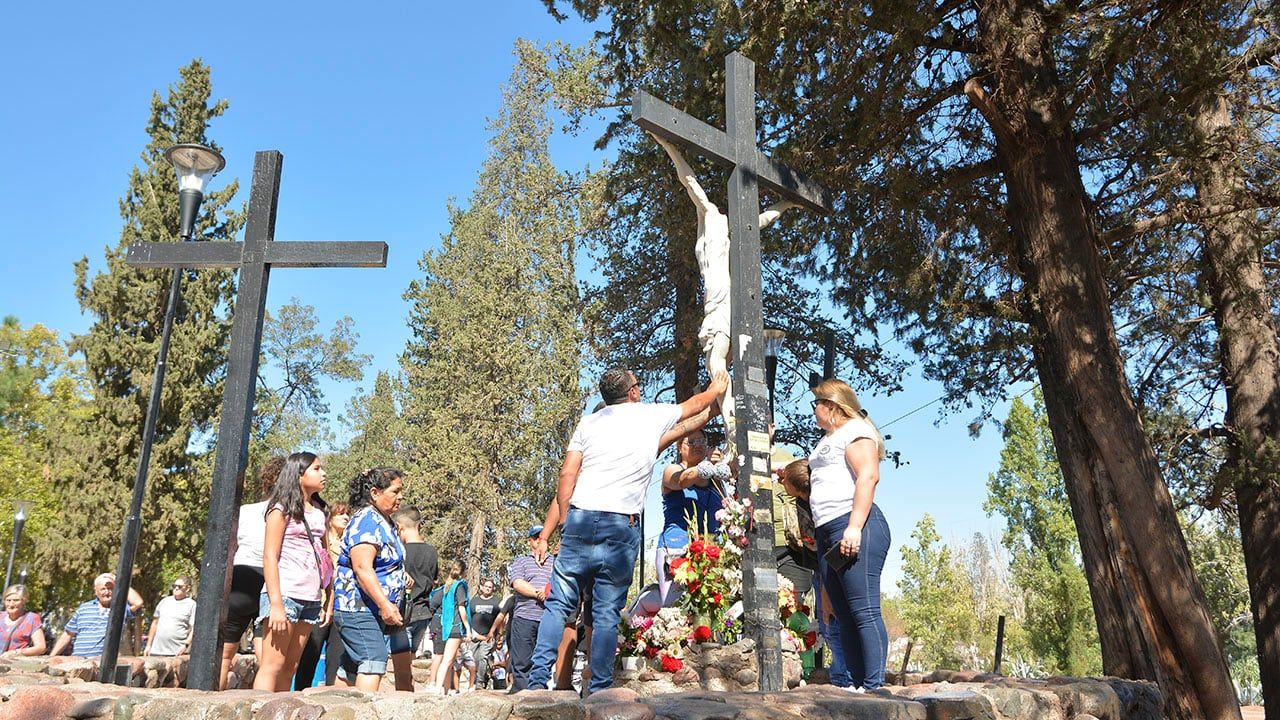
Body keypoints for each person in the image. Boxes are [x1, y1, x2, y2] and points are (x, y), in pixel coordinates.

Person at [526, 367, 728, 695]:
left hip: (580, 518)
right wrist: (716, 387)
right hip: (620, 526)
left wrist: (565, 521)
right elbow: (692, 406)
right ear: (632, 392)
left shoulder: (589, 423)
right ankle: (600, 690)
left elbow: (567, 473)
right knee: (606, 612)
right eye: (638, 385)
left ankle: (536, 684)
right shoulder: (646, 416)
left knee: (558, 605)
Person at [808, 379, 890, 691]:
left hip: (855, 525)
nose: (814, 410)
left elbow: (868, 475)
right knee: (842, 613)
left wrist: (854, 527)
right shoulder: (828, 438)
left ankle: (874, 686)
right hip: (827, 529)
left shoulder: (856, 430)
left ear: (832, 405)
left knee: (863, 609)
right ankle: (856, 686)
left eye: (816, 403)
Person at [253, 452, 333, 692]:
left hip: (311, 598)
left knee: (290, 667)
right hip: (285, 594)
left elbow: (325, 557)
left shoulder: (320, 511)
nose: (323, 473)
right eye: (316, 469)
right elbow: (270, 556)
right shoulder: (280, 509)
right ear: (299, 474)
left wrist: (329, 597)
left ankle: (280, 709)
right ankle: (258, 709)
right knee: (272, 665)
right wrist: (276, 605)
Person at [333, 467, 410, 692]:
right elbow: (362, 567)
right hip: (356, 607)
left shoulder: (385, 522)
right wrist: (385, 604)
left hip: (370, 610)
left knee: (350, 668)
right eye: (395, 491)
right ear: (375, 493)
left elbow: (384, 562)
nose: (400, 497)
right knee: (373, 657)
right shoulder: (367, 521)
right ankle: (364, 710)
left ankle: (335, 707)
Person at [780, 458, 847, 686]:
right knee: (826, 618)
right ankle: (840, 673)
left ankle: (842, 675)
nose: (781, 483)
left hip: (828, 563)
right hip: (820, 563)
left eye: (785, 481)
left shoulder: (819, 506)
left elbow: (818, 542)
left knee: (830, 618)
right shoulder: (807, 498)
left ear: (797, 487)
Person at [220, 456, 285, 689]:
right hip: (271, 579)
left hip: (241, 576)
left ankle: (210, 702)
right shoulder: (287, 513)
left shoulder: (244, 511)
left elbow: (230, 546)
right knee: (267, 660)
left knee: (224, 655)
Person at [657, 430, 725, 606]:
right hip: (676, 548)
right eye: (691, 442)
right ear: (680, 447)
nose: (697, 445)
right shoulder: (672, 470)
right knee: (676, 607)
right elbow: (680, 481)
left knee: (710, 607)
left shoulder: (715, 480)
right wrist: (703, 467)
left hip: (710, 552)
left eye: (702, 441)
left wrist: (721, 466)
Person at [295, 502, 351, 688]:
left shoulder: (351, 544)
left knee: (336, 658)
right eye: (341, 514)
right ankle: (300, 692)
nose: (346, 518)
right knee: (310, 654)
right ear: (330, 519)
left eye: (348, 514)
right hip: (320, 605)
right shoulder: (321, 542)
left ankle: (331, 696)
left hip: (343, 607)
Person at [50, 573, 144, 657]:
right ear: (96, 591)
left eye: (110, 589)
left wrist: (119, 582)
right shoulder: (84, 608)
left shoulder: (120, 609)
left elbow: (138, 603)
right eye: (103, 589)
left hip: (102, 663)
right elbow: (68, 634)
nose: (106, 592)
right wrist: (51, 657)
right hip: (78, 660)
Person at [507, 526, 554, 691]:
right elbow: (517, 583)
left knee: (543, 661)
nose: (539, 540)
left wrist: (547, 592)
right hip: (524, 618)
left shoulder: (555, 562)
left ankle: (539, 694)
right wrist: (538, 593)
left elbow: (559, 583)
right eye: (536, 537)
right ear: (529, 541)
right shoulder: (521, 561)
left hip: (548, 618)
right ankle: (522, 695)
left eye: (542, 537)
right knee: (522, 661)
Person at [392, 507, 438, 661]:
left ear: (399, 527)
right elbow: (434, 579)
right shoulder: (432, 552)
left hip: (403, 612)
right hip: (423, 613)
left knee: (398, 661)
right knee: (410, 659)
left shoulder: (399, 552)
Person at [428, 558, 472, 692]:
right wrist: (468, 628)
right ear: (464, 572)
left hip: (446, 626)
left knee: (450, 660)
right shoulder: (460, 586)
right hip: (456, 626)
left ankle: (446, 690)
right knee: (447, 660)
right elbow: (462, 608)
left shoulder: (448, 586)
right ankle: (438, 688)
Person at [143, 576, 196, 657]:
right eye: (174, 586)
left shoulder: (192, 605)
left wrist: (186, 645)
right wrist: (148, 645)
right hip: (156, 651)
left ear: (187, 588)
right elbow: (155, 623)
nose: (176, 588)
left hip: (176, 653)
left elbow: (194, 628)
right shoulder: (164, 601)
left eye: (180, 586)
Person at [467, 577, 501, 689]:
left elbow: (501, 619)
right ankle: (477, 678)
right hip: (474, 636)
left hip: (488, 636)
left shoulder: (496, 602)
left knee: (482, 656)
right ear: (482, 587)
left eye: (490, 587)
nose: (488, 589)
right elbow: (468, 618)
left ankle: (480, 682)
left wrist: (498, 635)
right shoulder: (474, 601)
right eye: (486, 586)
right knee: (472, 658)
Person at [0, 585, 46, 657]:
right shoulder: (1, 616)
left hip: (14, 662)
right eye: (8, 600)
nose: (11, 604)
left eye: (16, 600)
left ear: (24, 601)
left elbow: (41, 647)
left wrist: (17, 652)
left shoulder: (31, 618)